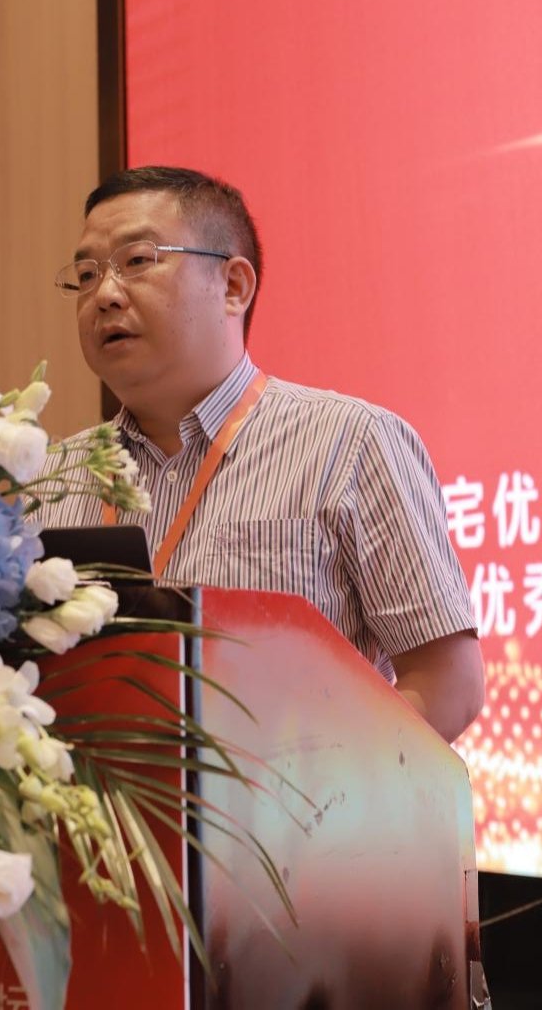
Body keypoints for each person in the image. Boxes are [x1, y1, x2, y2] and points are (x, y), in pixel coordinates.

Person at [43, 165, 484, 743]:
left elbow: (448, 682)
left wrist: (305, 789)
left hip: (300, 801)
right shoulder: (49, 478)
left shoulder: (350, 443)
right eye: (86, 274)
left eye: (138, 261)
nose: (104, 295)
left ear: (233, 286)